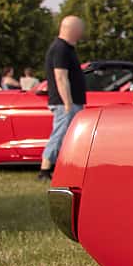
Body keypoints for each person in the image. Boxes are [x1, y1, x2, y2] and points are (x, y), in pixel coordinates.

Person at [39, 16, 86, 182]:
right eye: (80, 29)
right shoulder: (61, 49)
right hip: (64, 102)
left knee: (66, 136)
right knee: (60, 134)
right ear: (72, 29)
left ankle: (65, 167)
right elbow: (60, 77)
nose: (82, 32)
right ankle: (45, 169)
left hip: (69, 102)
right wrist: (68, 103)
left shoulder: (66, 49)